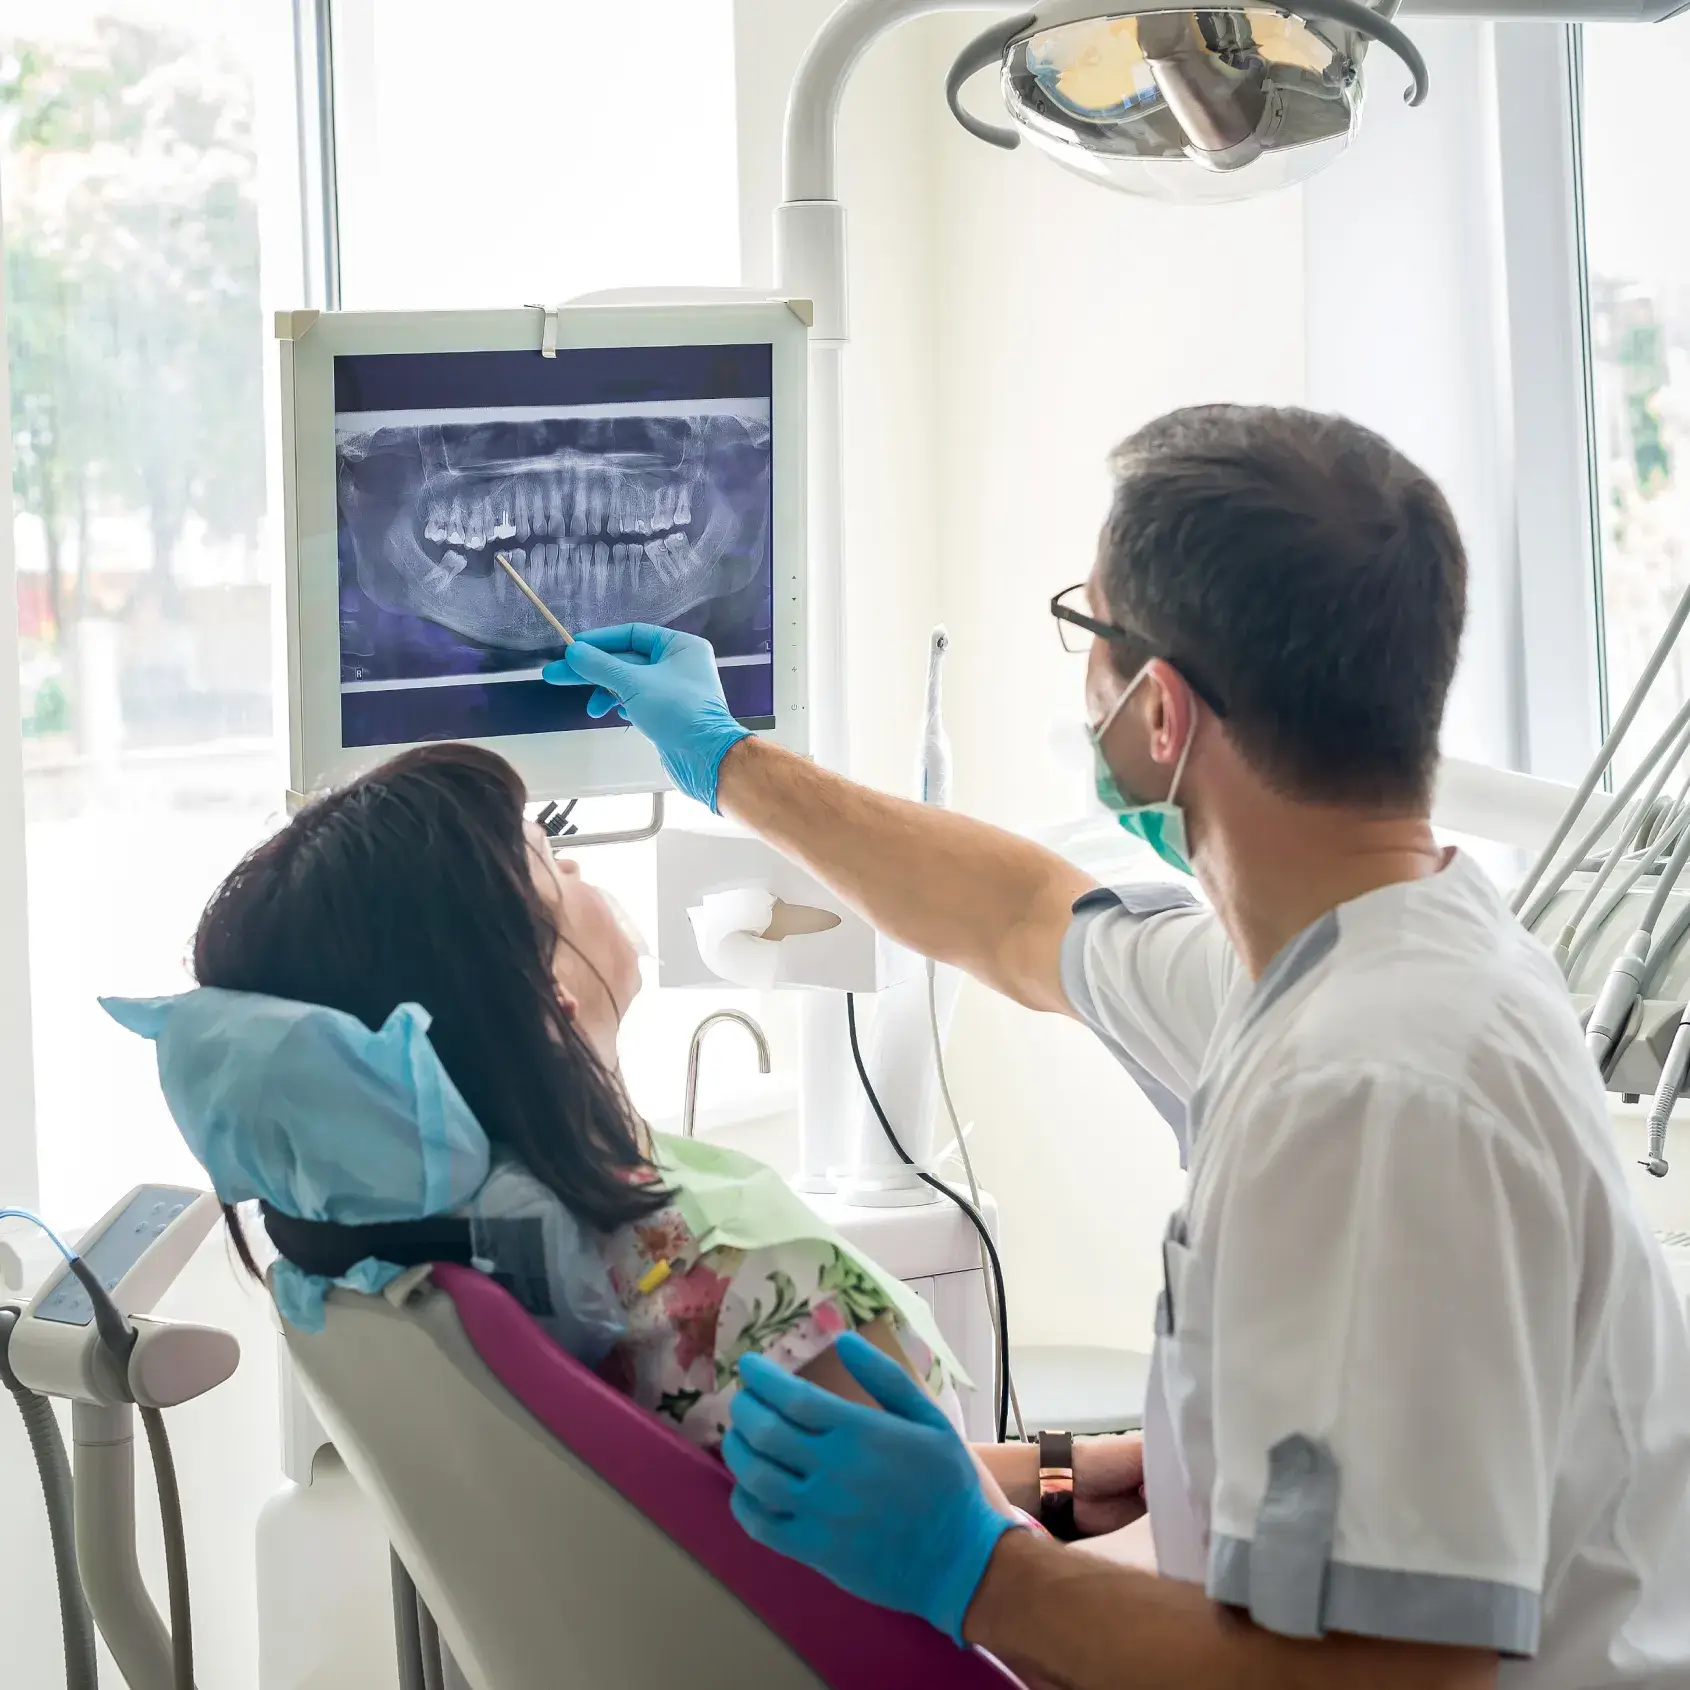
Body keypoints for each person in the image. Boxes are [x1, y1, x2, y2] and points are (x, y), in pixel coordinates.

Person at [546, 405, 1690, 1688]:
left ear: (1159, 714)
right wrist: (728, 763)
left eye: (1085, 632)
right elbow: (1022, 917)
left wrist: (982, 1568)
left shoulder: (1373, 1088)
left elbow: (1395, 1677)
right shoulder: (1359, 951)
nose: (1076, 670)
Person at [120, 741, 975, 1457]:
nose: (574, 866)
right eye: (550, 867)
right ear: (548, 990)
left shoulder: (417, 1278)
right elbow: (980, 1568)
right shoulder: (746, 1291)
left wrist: (1058, 1470)